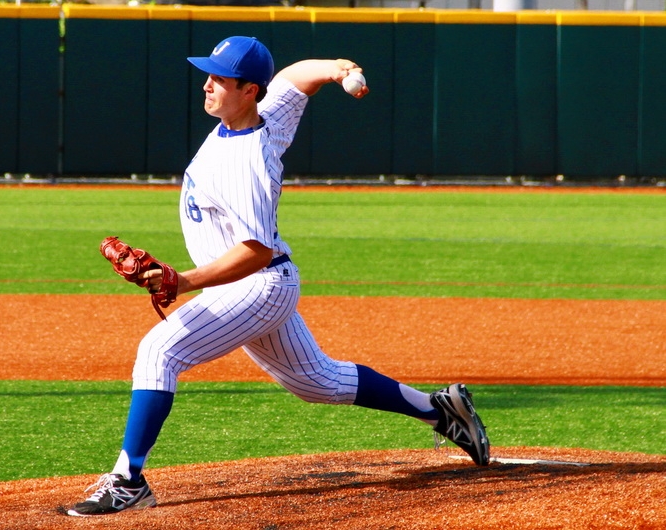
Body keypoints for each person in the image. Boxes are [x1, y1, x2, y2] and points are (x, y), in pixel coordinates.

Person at [67, 36, 490, 517]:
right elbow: (293, 79)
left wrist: (181, 281)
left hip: (258, 284)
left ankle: (128, 481)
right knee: (316, 381)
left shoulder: (246, 159)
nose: (207, 85)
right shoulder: (264, 116)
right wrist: (334, 67)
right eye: (208, 75)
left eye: (219, 79)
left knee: (160, 350)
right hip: (261, 284)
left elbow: (254, 252)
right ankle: (441, 409)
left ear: (248, 90)